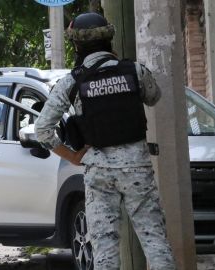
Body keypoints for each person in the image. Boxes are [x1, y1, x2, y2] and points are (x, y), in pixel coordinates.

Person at [34, 12, 176, 270]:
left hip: (98, 172)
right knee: (155, 241)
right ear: (109, 39)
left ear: (76, 45)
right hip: (137, 169)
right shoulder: (134, 71)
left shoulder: (72, 82)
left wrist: (72, 156)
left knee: (105, 249)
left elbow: (42, 129)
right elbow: (154, 96)